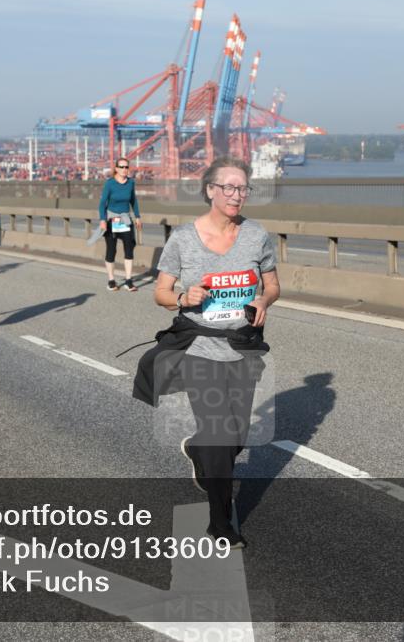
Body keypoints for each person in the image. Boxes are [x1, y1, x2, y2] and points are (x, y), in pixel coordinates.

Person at [134, 156, 280, 549]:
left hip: (243, 347)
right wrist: (184, 296)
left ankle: (199, 450)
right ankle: (221, 523)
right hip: (200, 346)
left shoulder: (256, 236)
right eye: (229, 187)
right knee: (219, 436)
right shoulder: (183, 238)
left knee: (235, 437)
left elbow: (273, 285)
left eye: (243, 188)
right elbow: (160, 294)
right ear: (210, 191)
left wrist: (264, 301)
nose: (237, 195)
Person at [98, 157, 142, 291]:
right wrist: (102, 220)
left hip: (125, 220)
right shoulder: (110, 183)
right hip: (111, 220)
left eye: (126, 167)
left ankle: (128, 280)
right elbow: (102, 203)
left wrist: (138, 217)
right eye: (121, 167)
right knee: (111, 250)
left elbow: (133, 201)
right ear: (116, 169)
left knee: (129, 249)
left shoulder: (130, 183)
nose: (124, 169)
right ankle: (111, 280)